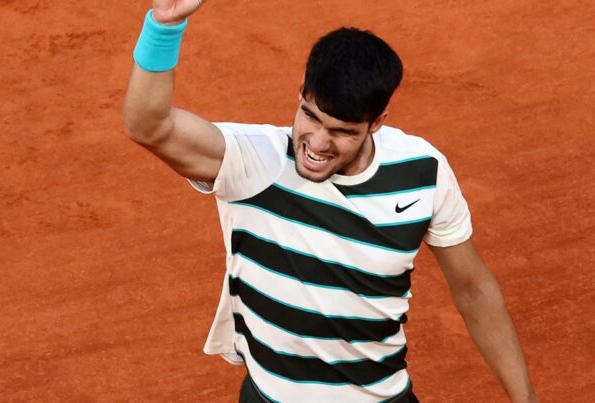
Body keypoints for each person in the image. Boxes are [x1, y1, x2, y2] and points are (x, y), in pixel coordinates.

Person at [123, 1, 539, 402]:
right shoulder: (255, 161)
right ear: (301, 90)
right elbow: (149, 125)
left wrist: (525, 399)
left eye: (342, 131)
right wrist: (164, 26)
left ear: (377, 123)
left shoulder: (421, 174)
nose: (317, 144)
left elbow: (473, 290)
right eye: (310, 116)